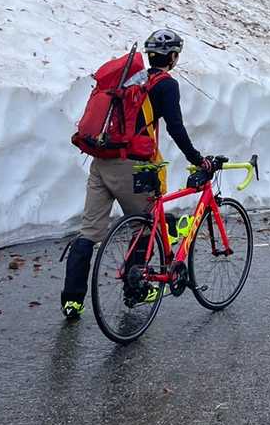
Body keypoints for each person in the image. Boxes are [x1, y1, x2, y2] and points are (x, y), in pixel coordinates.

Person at [59, 29, 211, 320]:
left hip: (101, 160)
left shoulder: (130, 80)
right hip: (132, 166)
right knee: (146, 226)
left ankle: (72, 301)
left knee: (88, 233)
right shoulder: (166, 85)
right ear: (173, 57)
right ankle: (136, 290)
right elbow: (175, 128)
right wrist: (196, 158)